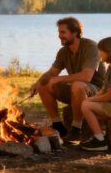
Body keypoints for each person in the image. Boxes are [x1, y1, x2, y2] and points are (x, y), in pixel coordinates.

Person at [29, 17, 106, 145]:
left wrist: (59, 79)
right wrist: (38, 83)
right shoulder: (64, 52)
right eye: (59, 32)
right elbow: (51, 73)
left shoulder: (91, 47)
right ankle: (58, 125)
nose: (60, 36)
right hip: (78, 89)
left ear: (75, 32)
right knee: (44, 85)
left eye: (63, 32)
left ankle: (76, 129)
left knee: (77, 86)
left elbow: (86, 76)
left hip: (98, 92)